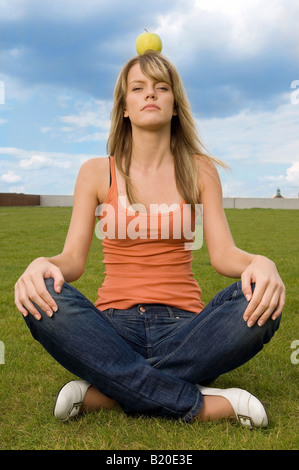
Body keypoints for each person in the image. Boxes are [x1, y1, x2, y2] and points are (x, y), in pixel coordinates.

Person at [14, 51, 285, 428]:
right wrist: (43, 265)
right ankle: (206, 404)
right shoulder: (96, 172)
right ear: (124, 107)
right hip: (112, 327)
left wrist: (262, 264)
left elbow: (224, 256)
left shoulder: (200, 170)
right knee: (39, 292)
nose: (150, 95)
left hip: (186, 329)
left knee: (261, 297)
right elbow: (72, 261)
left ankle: (108, 389)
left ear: (175, 105)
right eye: (138, 88)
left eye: (161, 88)